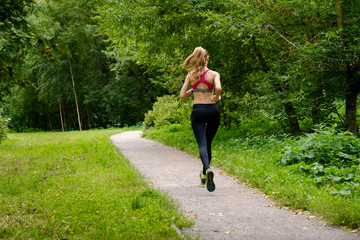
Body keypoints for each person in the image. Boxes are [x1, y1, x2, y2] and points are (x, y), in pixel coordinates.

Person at [180, 47, 222, 192]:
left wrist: (193, 90)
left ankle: (207, 170)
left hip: (198, 111)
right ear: (207, 58)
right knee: (208, 142)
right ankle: (205, 173)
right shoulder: (214, 74)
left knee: (202, 144)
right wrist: (216, 96)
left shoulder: (191, 75)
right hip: (212, 111)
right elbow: (218, 87)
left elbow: (182, 95)